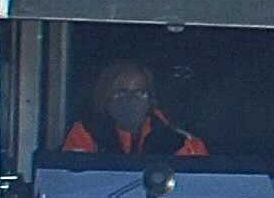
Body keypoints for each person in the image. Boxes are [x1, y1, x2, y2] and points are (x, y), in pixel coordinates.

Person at [61, 60, 207, 160]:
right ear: (105, 97)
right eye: (121, 93)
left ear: (151, 99)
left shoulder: (179, 141)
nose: (130, 99)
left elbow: (195, 190)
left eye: (139, 93)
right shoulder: (85, 132)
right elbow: (73, 182)